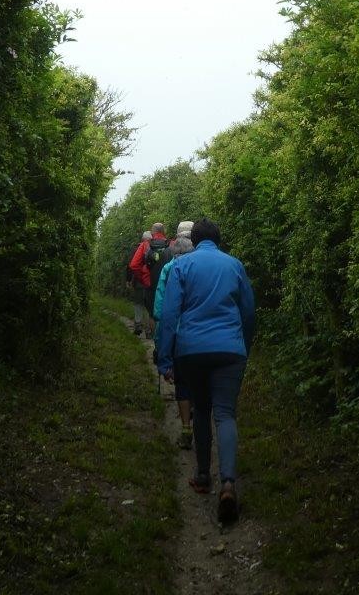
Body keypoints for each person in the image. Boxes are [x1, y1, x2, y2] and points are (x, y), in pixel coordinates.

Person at [156, 218, 255, 524]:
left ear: (195, 240)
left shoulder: (183, 267)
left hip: (192, 350)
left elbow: (170, 315)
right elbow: (249, 312)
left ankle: (201, 476)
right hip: (230, 350)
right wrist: (244, 345)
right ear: (219, 238)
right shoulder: (234, 265)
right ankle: (228, 483)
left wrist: (165, 358)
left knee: (201, 410)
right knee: (225, 414)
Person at [152, 233, 195, 449]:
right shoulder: (199, 268)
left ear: (175, 251)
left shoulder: (169, 268)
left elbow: (161, 308)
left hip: (176, 334)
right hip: (195, 332)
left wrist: (161, 344)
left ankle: (186, 427)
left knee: (182, 382)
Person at [127, 222, 167, 338]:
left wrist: (143, 278)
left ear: (152, 232)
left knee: (151, 311)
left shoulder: (145, 245)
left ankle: (153, 338)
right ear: (163, 231)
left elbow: (134, 265)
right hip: (167, 283)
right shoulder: (170, 244)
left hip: (150, 283)